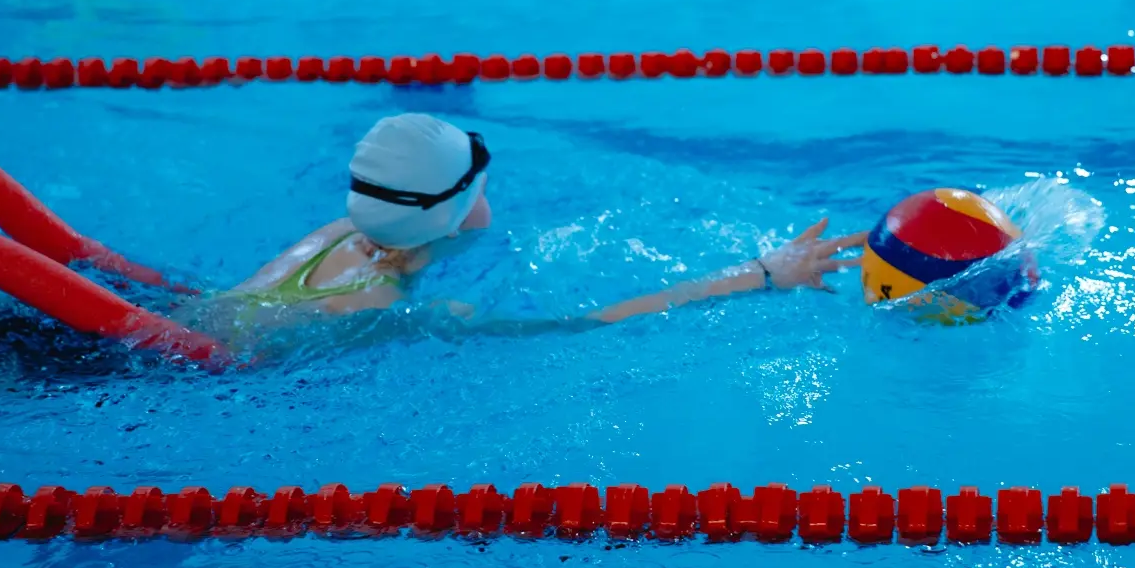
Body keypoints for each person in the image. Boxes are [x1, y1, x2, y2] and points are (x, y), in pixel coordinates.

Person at [218, 113, 865, 335]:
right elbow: (584, 323)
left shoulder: (335, 234)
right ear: (452, 218)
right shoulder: (391, 307)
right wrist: (759, 274)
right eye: (481, 187)